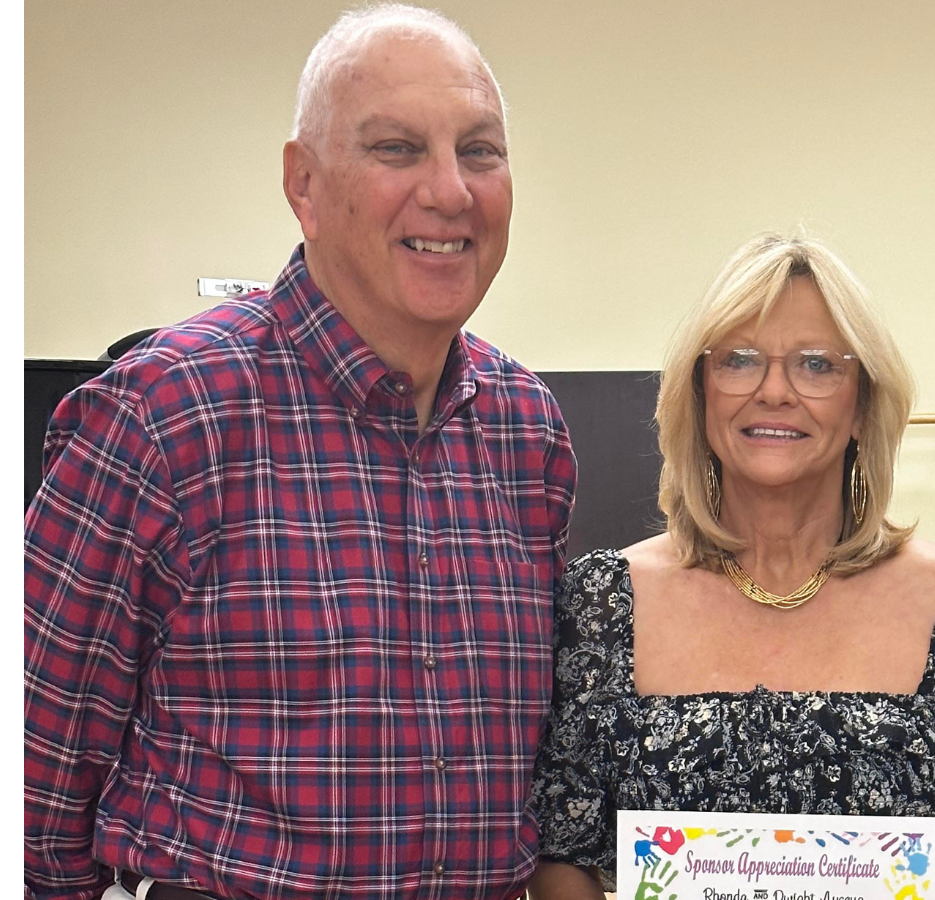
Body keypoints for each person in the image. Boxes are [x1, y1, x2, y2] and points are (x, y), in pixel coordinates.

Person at [23, 6, 576, 899]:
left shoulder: (527, 433)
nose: (451, 191)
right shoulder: (165, 416)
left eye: (479, 150)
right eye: (397, 148)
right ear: (304, 184)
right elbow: (31, 779)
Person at [525, 233, 935, 900]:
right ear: (701, 392)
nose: (774, 391)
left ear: (861, 405)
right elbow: (561, 851)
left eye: (817, 365)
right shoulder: (601, 601)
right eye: (738, 361)